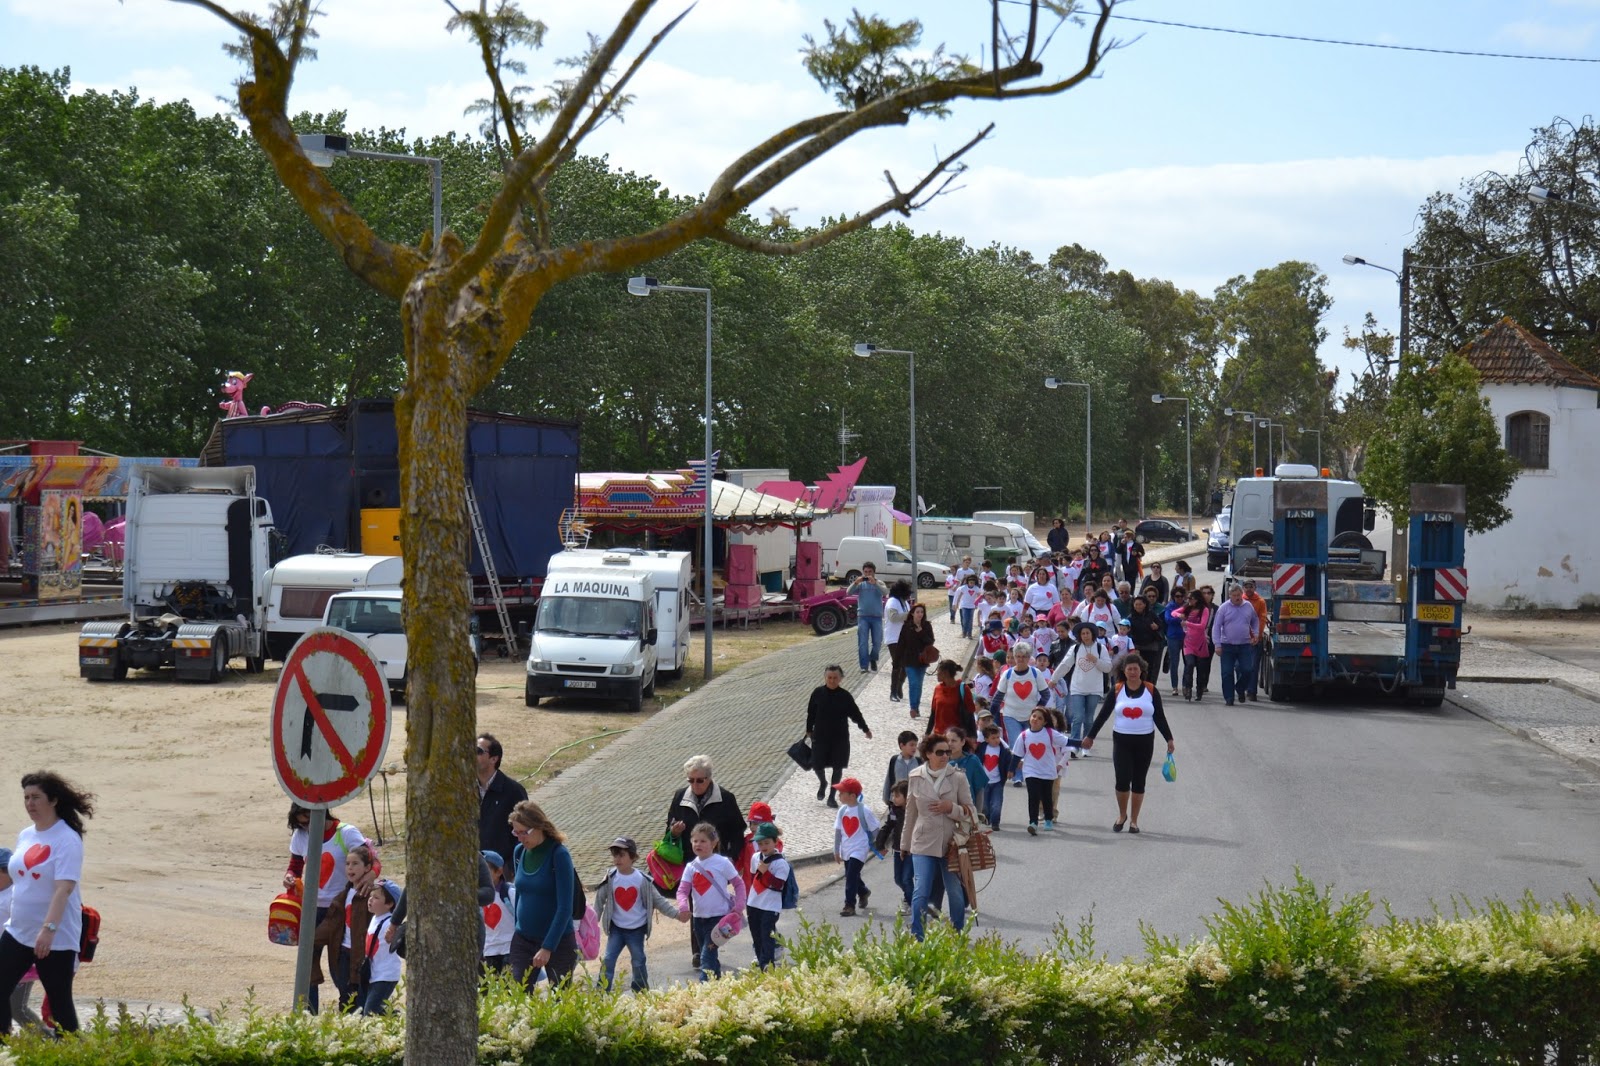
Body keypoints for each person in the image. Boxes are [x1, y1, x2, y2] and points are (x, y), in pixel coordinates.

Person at [0, 773, 94, 1037]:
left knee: (59, 1002)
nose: (30, 803)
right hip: (19, 930)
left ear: (53, 800)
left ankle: (74, 1052)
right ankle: (4, 1046)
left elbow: (64, 888)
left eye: (36, 797)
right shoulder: (26, 835)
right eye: (26, 798)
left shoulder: (67, 838)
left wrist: (48, 929)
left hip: (55, 936)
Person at [282, 803, 367, 1013]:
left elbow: (370, 860)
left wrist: (371, 876)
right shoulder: (301, 835)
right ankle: (308, 1013)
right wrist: (290, 877)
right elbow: (295, 866)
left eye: (309, 821)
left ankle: (352, 1009)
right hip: (311, 908)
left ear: (321, 813)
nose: (307, 828)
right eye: (302, 824)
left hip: (340, 908)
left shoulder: (346, 833)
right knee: (307, 964)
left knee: (340, 966)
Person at [664, 756, 745, 969]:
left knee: (714, 904)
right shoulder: (680, 797)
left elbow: (738, 831)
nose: (695, 784)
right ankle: (700, 951)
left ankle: (711, 946)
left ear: (709, 778)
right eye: (690, 780)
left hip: (718, 863)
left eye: (699, 780)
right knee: (696, 905)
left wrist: (731, 856)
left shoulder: (725, 798)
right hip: (692, 863)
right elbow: (668, 830)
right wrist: (674, 832)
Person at [1082, 656, 1175, 834]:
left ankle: (1134, 820)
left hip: (1145, 741)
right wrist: (1090, 736)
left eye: (1135, 669)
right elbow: (1103, 715)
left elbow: (1159, 717)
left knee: (1139, 781)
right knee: (1122, 780)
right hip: (1122, 741)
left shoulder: (1151, 690)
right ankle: (1122, 815)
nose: (1132, 672)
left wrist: (1169, 738)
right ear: (1123, 671)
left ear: (1141, 670)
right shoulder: (1117, 690)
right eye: (1129, 669)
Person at [901, 733, 974, 940]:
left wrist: (951, 808)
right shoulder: (915, 776)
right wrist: (904, 844)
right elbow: (910, 813)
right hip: (922, 841)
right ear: (928, 754)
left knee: (955, 892)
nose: (945, 756)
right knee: (921, 890)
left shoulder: (958, 777)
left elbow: (971, 811)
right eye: (940, 752)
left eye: (947, 752)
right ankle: (918, 936)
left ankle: (957, 934)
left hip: (951, 843)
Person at [508, 800, 578, 987]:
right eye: (516, 832)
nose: (520, 838)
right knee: (517, 993)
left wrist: (547, 947)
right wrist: (517, 927)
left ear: (538, 827)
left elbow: (565, 907)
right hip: (523, 939)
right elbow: (520, 894)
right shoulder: (519, 852)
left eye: (524, 832)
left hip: (558, 942)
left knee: (560, 997)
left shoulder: (559, 855)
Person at [595, 836, 679, 992]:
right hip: (616, 929)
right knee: (608, 959)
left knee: (638, 960)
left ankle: (640, 989)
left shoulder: (643, 880)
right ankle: (601, 990)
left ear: (633, 857)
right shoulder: (610, 878)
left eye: (622, 855)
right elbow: (599, 901)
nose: (617, 859)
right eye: (615, 855)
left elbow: (659, 901)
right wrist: (593, 922)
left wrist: (677, 914)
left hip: (636, 930)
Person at [676, 822, 746, 980]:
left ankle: (704, 988)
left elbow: (738, 884)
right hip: (698, 919)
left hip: (718, 919)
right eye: (695, 841)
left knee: (706, 957)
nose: (698, 844)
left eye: (703, 841)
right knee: (709, 954)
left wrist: (739, 906)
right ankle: (718, 983)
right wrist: (683, 907)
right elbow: (682, 890)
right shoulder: (691, 867)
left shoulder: (723, 863)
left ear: (714, 843)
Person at [805, 665, 873, 805]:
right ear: (825, 678)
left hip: (839, 738)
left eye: (835, 678)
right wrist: (808, 729)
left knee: (838, 767)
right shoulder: (817, 693)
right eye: (829, 677)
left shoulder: (845, 696)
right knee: (817, 765)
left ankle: (832, 796)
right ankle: (823, 782)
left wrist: (865, 729)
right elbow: (811, 713)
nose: (832, 680)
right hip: (820, 736)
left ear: (841, 678)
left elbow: (855, 714)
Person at [1052, 621, 1112, 756]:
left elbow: (1108, 667)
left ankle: (1086, 745)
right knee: (1077, 717)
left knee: (1089, 719)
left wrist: (1095, 660)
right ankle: (1074, 745)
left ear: (1093, 634)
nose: (1085, 636)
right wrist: (1054, 679)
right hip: (1077, 687)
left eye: (1087, 633)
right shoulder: (1075, 648)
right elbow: (1065, 665)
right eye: (1083, 633)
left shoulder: (1100, 648)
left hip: (1094, 689)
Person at [0, 847, 42, 1033]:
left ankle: (48, 1041)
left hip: (19, 958)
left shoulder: (16, 894)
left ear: (8, 872)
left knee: (18, 1008)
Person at [1010, 706, 1067, 834]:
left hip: (1047, 771)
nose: (1035, 719)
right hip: (1030, 771)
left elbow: (1066, 741)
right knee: (1033, 796)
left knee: (1046, 796)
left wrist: (1082, 743)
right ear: (1030, 718)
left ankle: (1048, 819)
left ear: (1045, 722)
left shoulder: (1050, 733)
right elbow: (1017, 754)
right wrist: (1011, 770)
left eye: (1040, 718)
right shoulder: (1024, 735)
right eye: (1034, 716)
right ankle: (1033, 823)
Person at [477, 733, 528, 864]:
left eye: (478, 751)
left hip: (501, 869)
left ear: (494, 759)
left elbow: (525, 831)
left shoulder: (514, 791)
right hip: (472, 867)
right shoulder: (463, 789)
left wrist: (511, 866)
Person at [746, 822, 791, 969]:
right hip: (754, 903)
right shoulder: (755, 857)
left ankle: (768, 963)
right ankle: (761, 961)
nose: (763, 846)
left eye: (766, 843)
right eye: (760, 843)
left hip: (771, 905)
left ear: (775, 842)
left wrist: (766, 872)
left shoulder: (781, 863)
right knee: (756, 935)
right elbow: (753, 878)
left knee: (767, 934)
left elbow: (778, 885)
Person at [831, 778, 879, 916]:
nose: (839, 795)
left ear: (852, 796)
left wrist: (878, 845)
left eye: (842, 793)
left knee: (851, 875)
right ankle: (863, 891)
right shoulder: (842, 811)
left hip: (860, 849)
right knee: (852, 875)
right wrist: (836, 850)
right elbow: (838, 831)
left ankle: (849, 905)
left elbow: (875, 829)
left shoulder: (864, 811)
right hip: (846, 849)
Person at [1211, 582, 1262, 706]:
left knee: (1248, 670)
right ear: (1230, 596)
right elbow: (1216, 627)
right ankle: (1229, 697)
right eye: (1234, 595)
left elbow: (1255, 621)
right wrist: (1217, 644)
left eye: (1238, 595)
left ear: (1241, 594)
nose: (1237, 598)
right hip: (1227, 645)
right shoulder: (1224, 608)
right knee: (1227, 672)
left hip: (1244, 645)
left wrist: (1255, 634)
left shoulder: (1248, 606)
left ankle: (1240, 688)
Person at [361, 879, 403, 1015]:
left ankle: (396, 1018)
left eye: (376, 897)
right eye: (371, 896)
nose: (370, 899)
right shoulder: (375, 918)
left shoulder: (390, 924)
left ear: (389, 904)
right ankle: (395, 1017)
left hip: (386, 975)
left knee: (370, 1012)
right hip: (374, 974)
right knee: (375, 1010)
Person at [895, 602, 938, 717]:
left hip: (922, 660)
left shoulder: (927, 625)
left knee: (918, 685)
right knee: (913, 683)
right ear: (912, 614)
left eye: (922, 612)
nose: (920, 614)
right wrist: (896, 661)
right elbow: (901, 644)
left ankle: (916, 707)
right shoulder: (906, 626)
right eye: (917, 612)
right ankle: (913, 708)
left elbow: (930, 641)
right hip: (909, 661)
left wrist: (921, 632)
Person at [878, 781, 914, 913]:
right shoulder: (894, 810)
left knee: (906, 878)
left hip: (912, 851)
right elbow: (888, 827)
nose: (894, 798)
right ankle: (912, 897)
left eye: (897, 796)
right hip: (898, 849)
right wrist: (880, 844)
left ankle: (912, 903)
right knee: (898, 879)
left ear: (907, 796)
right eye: (893, 795)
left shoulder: (914, 811)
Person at [977, 722, 1017, 828]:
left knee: (996, 803)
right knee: (985, 804)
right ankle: (987, 818)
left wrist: (1011, 770)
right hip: (984, 782)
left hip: (998, 782)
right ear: (986, 739)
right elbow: (976, 760)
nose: (996, 740)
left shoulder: (1004, 750)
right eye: (993, 738)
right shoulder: (981, 748)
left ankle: (995, 822)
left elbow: (1009, 761)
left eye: (998, 737)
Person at [848, 562, 886, 672]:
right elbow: (848, 592)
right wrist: (856, 582)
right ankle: (864, 666)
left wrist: (875, 584)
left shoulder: (879, 582)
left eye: (870, 572)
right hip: (863, 617)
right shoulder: (860, 584)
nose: (868, 574)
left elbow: (885, 592)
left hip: (876, 617)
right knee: (863, 642)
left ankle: (873, 658)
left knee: (877, 642)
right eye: (865, 572)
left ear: (874, 572)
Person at [481, 850, 515, 973]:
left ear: (499, 872)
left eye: (485, 870)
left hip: (510, 947)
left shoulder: (509, 892)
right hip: (489, 949)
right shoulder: (478, 895)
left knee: (509, 983)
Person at [926, 659, 978, 739]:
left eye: (938, 672)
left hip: (955, 736)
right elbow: (933, 713)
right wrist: (927, 733)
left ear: (946, 673)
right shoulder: (937, 689)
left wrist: (973, 736)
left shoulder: (964, 689)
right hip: (939, 735)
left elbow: (970, 713)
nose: (936, 674)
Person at [1180, 590, 1214, 701]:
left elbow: (1202, 626)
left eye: (1191, 598)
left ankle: (1199, 691)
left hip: (1200, 642)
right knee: (1189, 664)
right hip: (1188, 642)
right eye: (1188, 598)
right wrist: (1181, 618)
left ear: (1197, 599)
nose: (1189, 600)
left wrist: (1187, 623)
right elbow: (1174, 613)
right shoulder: (1187, 608)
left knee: (1201, 668)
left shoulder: (1204, 610)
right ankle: (1188, 688)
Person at [1240, 578, 1270, 701]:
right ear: (1243, 588)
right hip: (1240, 639)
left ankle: (1252, 692)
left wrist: (1257, 636)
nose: (1248, 589)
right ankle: (1242, 688)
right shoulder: (1239, 600)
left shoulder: (1260, 602)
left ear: (1255, 588)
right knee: (1239, 666)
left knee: (1253, 666)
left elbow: (1262, 619)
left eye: (1251, 587)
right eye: (1246, 587)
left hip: (1254, 639)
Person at [884, 579, 913, 702]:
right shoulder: (892, 602)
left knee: (907, 665)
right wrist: (910, 615)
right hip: (893, 638)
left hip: (904, 638)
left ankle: (899, 685)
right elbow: (893, 617)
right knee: (898, 665)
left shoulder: (904, 603)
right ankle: (893, 692)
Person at [1127, 594, 1166, 683]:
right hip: (1137, 647)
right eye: (1136, 604)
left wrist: (1156, 626)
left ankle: (1148, 686)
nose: (1138, 606)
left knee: (1150, 669)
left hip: (1151, 646)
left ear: (1145, 604)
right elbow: (1128, 633)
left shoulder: (1151, 614)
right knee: (1138, 669)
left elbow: (1160, 624)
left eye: (1140, 604)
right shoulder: (1130, 617)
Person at [882, 731, 921, 805]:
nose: (914, 748)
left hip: (913, 802)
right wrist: (886, 798)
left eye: (916, 745)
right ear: (902, 745)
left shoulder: (918, 762)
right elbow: (889, 779)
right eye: (911, 745)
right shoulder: (894, 760)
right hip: (897, 802)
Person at [1163, 589, 1187, 696]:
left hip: (1187, 637)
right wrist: (1180, 619)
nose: (1180, 598)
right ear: (1173, 596)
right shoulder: (1170, 606)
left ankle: (1185, 685)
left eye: (1182, 596)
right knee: (1174, 662)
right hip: (1173, 637)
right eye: (1177, 596)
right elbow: (1168, 619)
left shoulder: (1187, 606)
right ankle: (1174, 686)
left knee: (1188, 663)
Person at [954, 573, 982, 638]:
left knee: (970, 620)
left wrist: (977, 604)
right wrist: (956, 604)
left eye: (973, 583)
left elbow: (979, 596)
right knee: (965, 619)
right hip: (964, 605)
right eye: (970, 582)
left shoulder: (976, 588)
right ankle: (964, 632)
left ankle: (969, 634)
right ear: (968, 582)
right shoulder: (963, 588)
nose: (972, 584)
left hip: (972, 606)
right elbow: (959, 596)